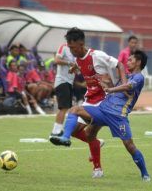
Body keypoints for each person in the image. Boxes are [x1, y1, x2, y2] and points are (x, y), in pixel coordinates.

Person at [51, 50, 151, 181]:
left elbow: (128, 87)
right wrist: (105, 82)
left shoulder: (139, 77)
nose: (128, 62)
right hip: (102, 110)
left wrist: (110, 89)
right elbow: (120, 87)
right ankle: (65, 137)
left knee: (129, 145)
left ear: (138, 62)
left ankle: (145, 174)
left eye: (131, 60)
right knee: (76, 112)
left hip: (118, 115)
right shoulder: (124, 76)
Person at [50, 27, 127, 178]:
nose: (71, 51)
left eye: (72, 47)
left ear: (81, 43)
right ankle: (95, 159)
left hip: (104, 100)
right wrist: (74, 67)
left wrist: (123, 85)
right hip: (90, 100)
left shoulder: (97, 55)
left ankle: (96, 167)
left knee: (76, 115)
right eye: (69, 47)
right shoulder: (78, 58)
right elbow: (80, 64)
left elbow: (120, 65)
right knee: (77, 131)